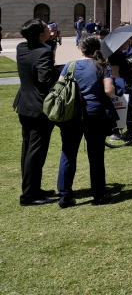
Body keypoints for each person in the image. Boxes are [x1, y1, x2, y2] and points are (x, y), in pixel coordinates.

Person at [56, 36, 117, 207]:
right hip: (95, 114)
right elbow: (109, 90)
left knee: (68, 154)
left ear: (81, 49)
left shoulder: (70, 65)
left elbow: (60, 87)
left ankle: (65, 196)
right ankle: (98, 194)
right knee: (96, 156)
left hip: (72, 114)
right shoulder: (102, 65)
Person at [14, 18, 58, 206]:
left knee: (28, 149)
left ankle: (32, 188)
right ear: (41, 34)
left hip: (24, 105)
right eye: (46, 27)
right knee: (36, 152)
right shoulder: (43, 53)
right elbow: (45, 79)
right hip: (39, 108)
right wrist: (62, 72)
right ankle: (29, 196)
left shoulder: (21, 48)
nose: (49, 28)